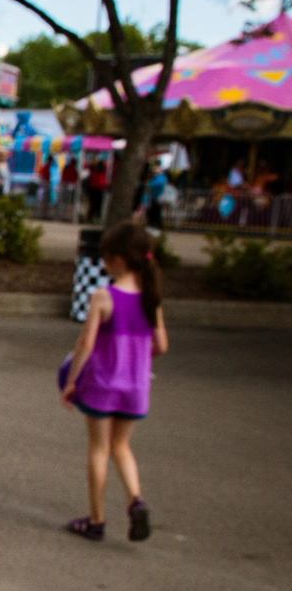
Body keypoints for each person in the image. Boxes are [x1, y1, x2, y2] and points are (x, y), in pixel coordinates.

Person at [62, 221, 168, 542]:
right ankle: (136, 499)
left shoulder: (103, 297)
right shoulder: (151, 299)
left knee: (98, 448)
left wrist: (72, 380)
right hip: (136, 388)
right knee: (121, 446)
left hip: (102, 385)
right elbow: (161, 346)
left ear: (118, 259)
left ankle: (97, 520)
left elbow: (86, 345)